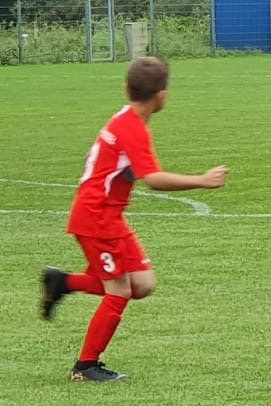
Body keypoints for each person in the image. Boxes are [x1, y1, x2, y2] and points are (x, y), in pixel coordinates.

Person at [39, 56, 229, 382]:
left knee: (143, 284)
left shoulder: (125, 119)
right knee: (119, 291)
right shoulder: (132, 130)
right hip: (97, 217)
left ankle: (64, 283)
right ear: (162, 97)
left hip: (106, 215)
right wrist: (202, 179)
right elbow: (152, 178)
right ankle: (85, 367)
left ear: (126, 88)